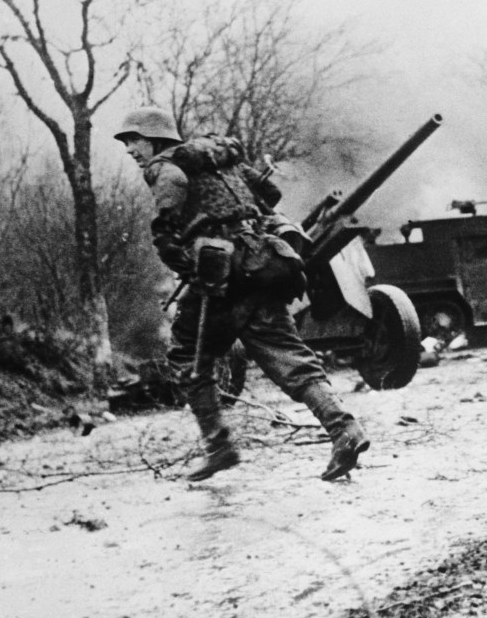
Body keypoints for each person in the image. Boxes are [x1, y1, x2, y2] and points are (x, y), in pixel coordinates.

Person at [116, 107, 370, 483]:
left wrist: (189, 261)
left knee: (188, 357)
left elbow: (165, 233)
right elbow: (270, 193)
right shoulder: (218, 158)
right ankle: (345, 430)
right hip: (262, 266)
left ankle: (219, 447)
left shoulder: (165, 168)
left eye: (134, 141)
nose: (130, 150)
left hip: (221, 279)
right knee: (291, 358)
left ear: (155, 138)